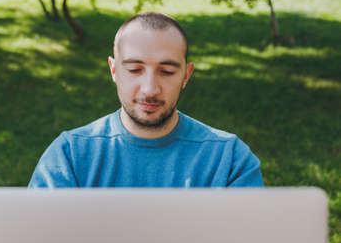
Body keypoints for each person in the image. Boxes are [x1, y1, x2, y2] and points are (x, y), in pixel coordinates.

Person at [29, 12, 264, 188]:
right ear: (113, 70)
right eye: (134, 69)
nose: (150, 89)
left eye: (167, 71)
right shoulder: (70, 155)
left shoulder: (229, 159)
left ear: (186, 75)